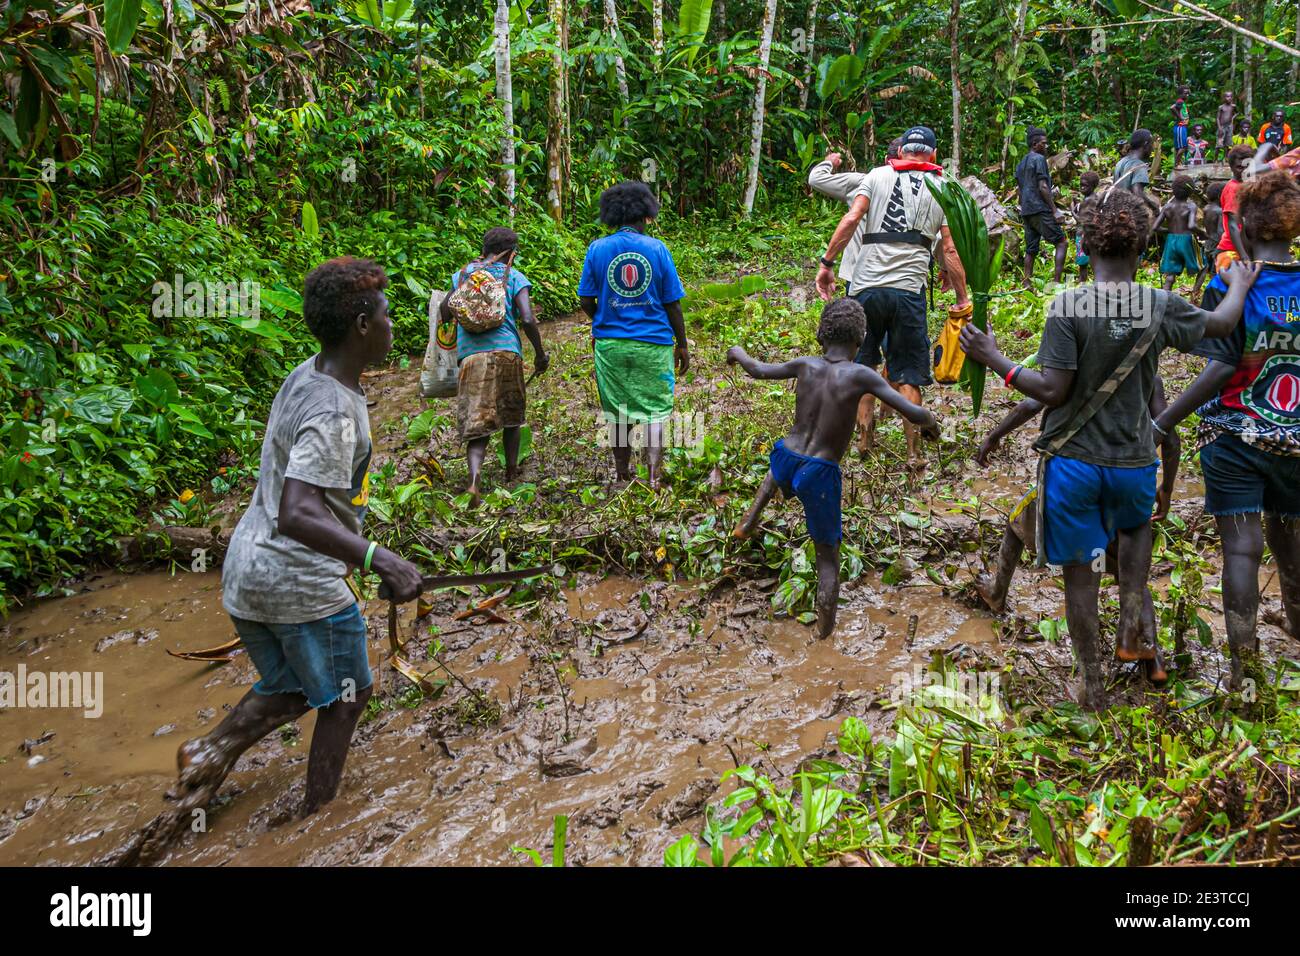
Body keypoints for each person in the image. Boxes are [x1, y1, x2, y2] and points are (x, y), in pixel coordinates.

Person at [155, 258, 426, 838]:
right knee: (348, 697)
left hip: (248, 573)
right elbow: (299, 511)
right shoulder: (332, 410)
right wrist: (380, 558)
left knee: (298, 685)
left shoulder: (309, 374)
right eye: (385, 315)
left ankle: (209, 750)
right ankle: (317, 824)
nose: (392, 326)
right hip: (297, 582)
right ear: (360, 324)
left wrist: (358, 551)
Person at [959, 187, 1259, 709]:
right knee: (1134, 543)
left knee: (1081, 579)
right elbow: (1224, 324)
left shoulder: (1067, 306)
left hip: (1074, 466)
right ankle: (1131, 633)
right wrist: (1238, 283)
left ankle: (1091, 685)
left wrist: (998, 360)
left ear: (1083, 244)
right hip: (1134, 465)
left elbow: (1052, 391)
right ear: (1144, 248)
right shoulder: (1160, 304)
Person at [1153, 171, 1300, 698]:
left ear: (1246, 224)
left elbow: (1216, 363)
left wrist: (1161, 422)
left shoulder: (1234, 283)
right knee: (1290, 536)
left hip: (1236, 436)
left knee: (1242, 550)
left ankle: (1244, 673)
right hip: (1296, 441)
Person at [728, 298, 939, 637]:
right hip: (819, 472)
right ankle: (824, 636)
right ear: (860, 340)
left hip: (787, 456)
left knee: (776, 466)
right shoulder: (860, 376)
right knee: (827, 560)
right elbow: (911, 411)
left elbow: (758, 370)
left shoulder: (805, 364)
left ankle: (748, 521)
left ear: (821, 335)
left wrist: (738, 352)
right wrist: (931, 424)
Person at [972, 382, 1180, 685]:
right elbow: (1170, 434)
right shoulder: (1148, 372)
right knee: (1131, 573)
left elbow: (1030, 405)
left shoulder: (1080, 360)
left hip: (1080, 473)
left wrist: (993, 436)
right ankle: (1153, 657)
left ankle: (996, 592)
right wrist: (1168, 487)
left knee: (1018, 522)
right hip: (1129, 477)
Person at [815, 125, 970, 474]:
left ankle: (865, 441)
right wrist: (961, 296)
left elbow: (852, 217)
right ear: (932, 154)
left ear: (901, 153)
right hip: (908, 293)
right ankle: (914, 453)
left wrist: (827, 264)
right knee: (909, 374)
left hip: (866, 288)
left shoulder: (876, 176)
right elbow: (949, 247)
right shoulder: (942, 186)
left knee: (864, 367)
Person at [578, 181, 689, 488]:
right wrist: (682, 345)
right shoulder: (657, 249)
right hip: (653, 344)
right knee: (655, 411)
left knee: (618, 412)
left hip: (610, 345)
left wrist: (602, 318)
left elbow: (586, 300)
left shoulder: (597, 249)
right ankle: (653, 476)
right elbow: (672, 304)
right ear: (646, 214)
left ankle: (622, 474)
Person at [440, 227, 549, 507]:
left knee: (478, 425)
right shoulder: (513, 276)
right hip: (506, 353)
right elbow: (527, 318)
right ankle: (511, 474)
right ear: (512, 253)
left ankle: (474, 483)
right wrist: (539, 353)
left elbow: (444, 308)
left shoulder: (463, 275)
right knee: (512, 418)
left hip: (471, 358)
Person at [1016, 127, 1067, 285]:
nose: (1046, 146)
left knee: (1031, 249)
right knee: (1061, 242)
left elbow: (1019, 189)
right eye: (1044, 144)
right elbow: (1043, 186)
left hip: (1027, 210)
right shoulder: (1038, 159)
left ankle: (1026, 282)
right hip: (1039, 208)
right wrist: (1055, 210)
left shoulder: (1021, 164)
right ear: (1034, 144)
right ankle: (1057, 282)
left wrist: (1023, 206)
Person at [1153, 175, 1204, 291]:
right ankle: (1194, 296)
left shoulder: (1167, 207)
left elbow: (1155, 227)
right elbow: (1191, 225)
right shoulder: (1191, 206)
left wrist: (1169, 231)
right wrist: (1203, 233)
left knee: (1170, 275)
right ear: (1190, 192)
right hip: (1186, 240)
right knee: (1203, 268)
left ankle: (1165, 298)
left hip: (1171, 240)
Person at [1214, 145, 1255, 272]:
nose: (1243, 170)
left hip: (1243, 249)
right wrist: (1244, 256)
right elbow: (1233, 224)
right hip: (1232, 251)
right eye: (1239, 167)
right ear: (1231, 167)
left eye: (1247, 166)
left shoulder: (1246, 185)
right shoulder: (1233, 189)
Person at [1193, 180, 1225, 301]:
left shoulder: (1206, 208)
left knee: (1204, 269)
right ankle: (1213, 295)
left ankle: (1195, 292)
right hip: (1216, 244)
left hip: (1208, 242)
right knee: (1214, 271)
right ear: (1220, 196)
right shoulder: (1219, 211)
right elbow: (1221, 231)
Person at [1073, 171, 1100, 283]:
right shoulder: (1093, 198)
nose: (1082, 188)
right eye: (1081, 185)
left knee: (1083, 262)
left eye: (1085, 186)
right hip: (1092, 235)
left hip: (1084, 235)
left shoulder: (1089, 200)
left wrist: (1072, 211)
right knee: (1094, 259)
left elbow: (1082, 221)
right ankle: (1096, 280)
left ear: (1093, 186)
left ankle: (1082, 280)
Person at [1114, 129, 1154, 198]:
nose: (1152, 148)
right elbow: (1137, 192)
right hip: (1129, 207)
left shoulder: (1120, 162)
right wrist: (1153, 206)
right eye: (1151, 144)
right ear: (1145, 144)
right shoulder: (1139, 165)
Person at [1171, 84, 1191, 167]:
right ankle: (1177, 164)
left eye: (1188, 93)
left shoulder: (1182, 103)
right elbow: (1172, 107)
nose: (1187, 95)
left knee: (1179, 147)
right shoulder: (1180, 101)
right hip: (1180, 126)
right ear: (1180, 94)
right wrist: (1179, 118)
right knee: (1183, 147)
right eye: (1185, 93)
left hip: (1182, 127)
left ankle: (1177, 164)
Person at [1215, 91, 1237, 163]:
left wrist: (1233, 118)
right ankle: (1215, 159)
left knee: (1227, 144)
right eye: (1227, 96)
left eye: (1230, 96)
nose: (1229, 98)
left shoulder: (1233, 106)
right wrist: (1219, 127)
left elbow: (1237, 112)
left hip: (1229, 126)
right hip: (1222, 126)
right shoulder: (1221, 107)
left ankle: (1226, 158)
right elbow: (1217, 118)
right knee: (1219, 144)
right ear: (1224, 98)